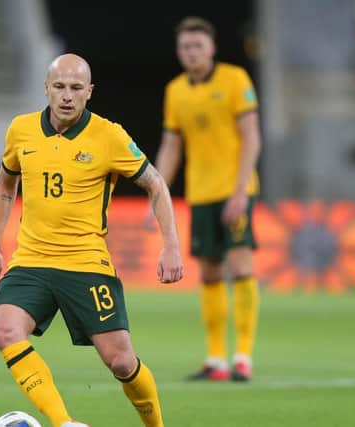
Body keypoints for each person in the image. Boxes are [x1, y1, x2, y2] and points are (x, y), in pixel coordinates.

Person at [0, 53, 183, 427]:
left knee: (121, 360)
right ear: (46, 87)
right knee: (4, 328)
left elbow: (155, 183)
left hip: (86, 262)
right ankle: (65, 423)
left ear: (89, 92)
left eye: (76, 88)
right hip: (32, 260)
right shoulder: (21, 130)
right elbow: (5, 183)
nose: (66, 96)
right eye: (59, 86)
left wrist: (171, 244)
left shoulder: (109, 136)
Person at [153, 17, 261, 382]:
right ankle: (216, 360)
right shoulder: (175, 90)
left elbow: (251, 138)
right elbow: (172, 145)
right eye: (185, 47)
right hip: (200, 193)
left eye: (198, 45)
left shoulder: (235, 80)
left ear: (211, 48)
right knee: (211, 272)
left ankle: (243, 356)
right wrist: (159, 189)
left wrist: (240, 192)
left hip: (235, 191)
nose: (192, 52)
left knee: (241, 267)